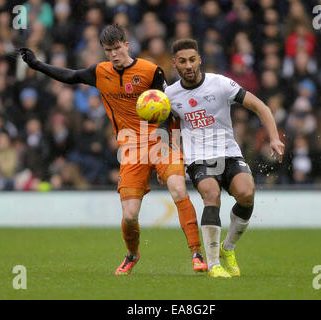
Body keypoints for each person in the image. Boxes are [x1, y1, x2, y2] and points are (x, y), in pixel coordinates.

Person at [19, 24, 207, 275]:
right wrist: (37, 65)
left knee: (177, 187)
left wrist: (164, 138)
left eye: (117, 48)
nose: (114, 54)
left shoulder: (151, 71)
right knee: (129, 215)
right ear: (104, 51)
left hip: (160, 140)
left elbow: (165, 106)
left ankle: (196, 253)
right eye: (109, 50)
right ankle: (132, 255)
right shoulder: (100, 72)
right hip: (130, 148)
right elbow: (71, 76)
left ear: (126, 46)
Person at [163, 39, 285, 278]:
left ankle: (227, 248)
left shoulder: (220, 84)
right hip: (198, 158)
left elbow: (261, 107)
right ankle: (213, 265)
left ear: (199, 60)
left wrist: (274, 138)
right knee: (211, 195)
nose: (188, 65)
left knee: (247, 194)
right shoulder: (169, 95)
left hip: (228, 153)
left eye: (192, 60)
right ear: (175, 64)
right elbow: (166, 130)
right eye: (182, 61)